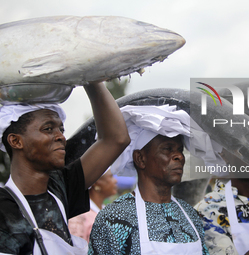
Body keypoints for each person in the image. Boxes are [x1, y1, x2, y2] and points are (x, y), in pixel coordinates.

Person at [0, 81, 130, 254]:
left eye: (61, 129)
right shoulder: (4, 207)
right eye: (48, 129)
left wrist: (92, 78)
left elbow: (116, 139)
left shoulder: (60, 187)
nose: (61, 136)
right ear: (16, 141)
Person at [89, 104, 225, 255]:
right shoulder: (113, 218)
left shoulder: (189, 213)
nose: (179, 156)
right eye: (167, 149)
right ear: (140, 159)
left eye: (180, 150)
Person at [68, 170, 118, 243]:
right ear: (96, 183)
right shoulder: (80, 216)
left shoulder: (106, 211)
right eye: (111, 177)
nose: (115, 181)